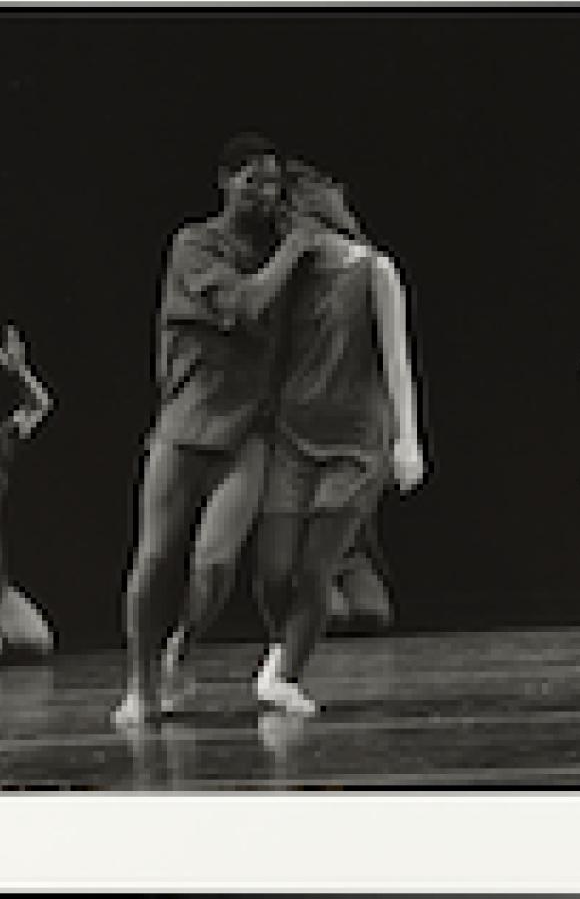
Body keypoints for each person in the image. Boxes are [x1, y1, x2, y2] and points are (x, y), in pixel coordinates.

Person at [113, 133, 329, 726]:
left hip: (246, 432)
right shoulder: (194, 244)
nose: (264, 194)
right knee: (153, 558)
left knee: (214, 563)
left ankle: (182, 642)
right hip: (183, 429)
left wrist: (316, 225)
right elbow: (246, 305)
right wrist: (293, 249)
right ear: (224, 180)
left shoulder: (285, 253)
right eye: (251, 180)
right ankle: (140, 682)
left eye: (272, 183)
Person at [252, 165, 425, 716]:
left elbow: (397, 360)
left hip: (353, 445)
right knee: (273, 568)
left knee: (314, 569)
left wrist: (407, 439)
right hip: (292, 437)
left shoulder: (373, 269)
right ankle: (281, 650)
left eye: (288, 213)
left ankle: (288, 676)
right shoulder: (287, 275)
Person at [0, 325, 55, 661]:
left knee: (39, 641)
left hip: (1, 591)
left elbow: (41, 406)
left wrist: (19, 371)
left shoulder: (3, 439)